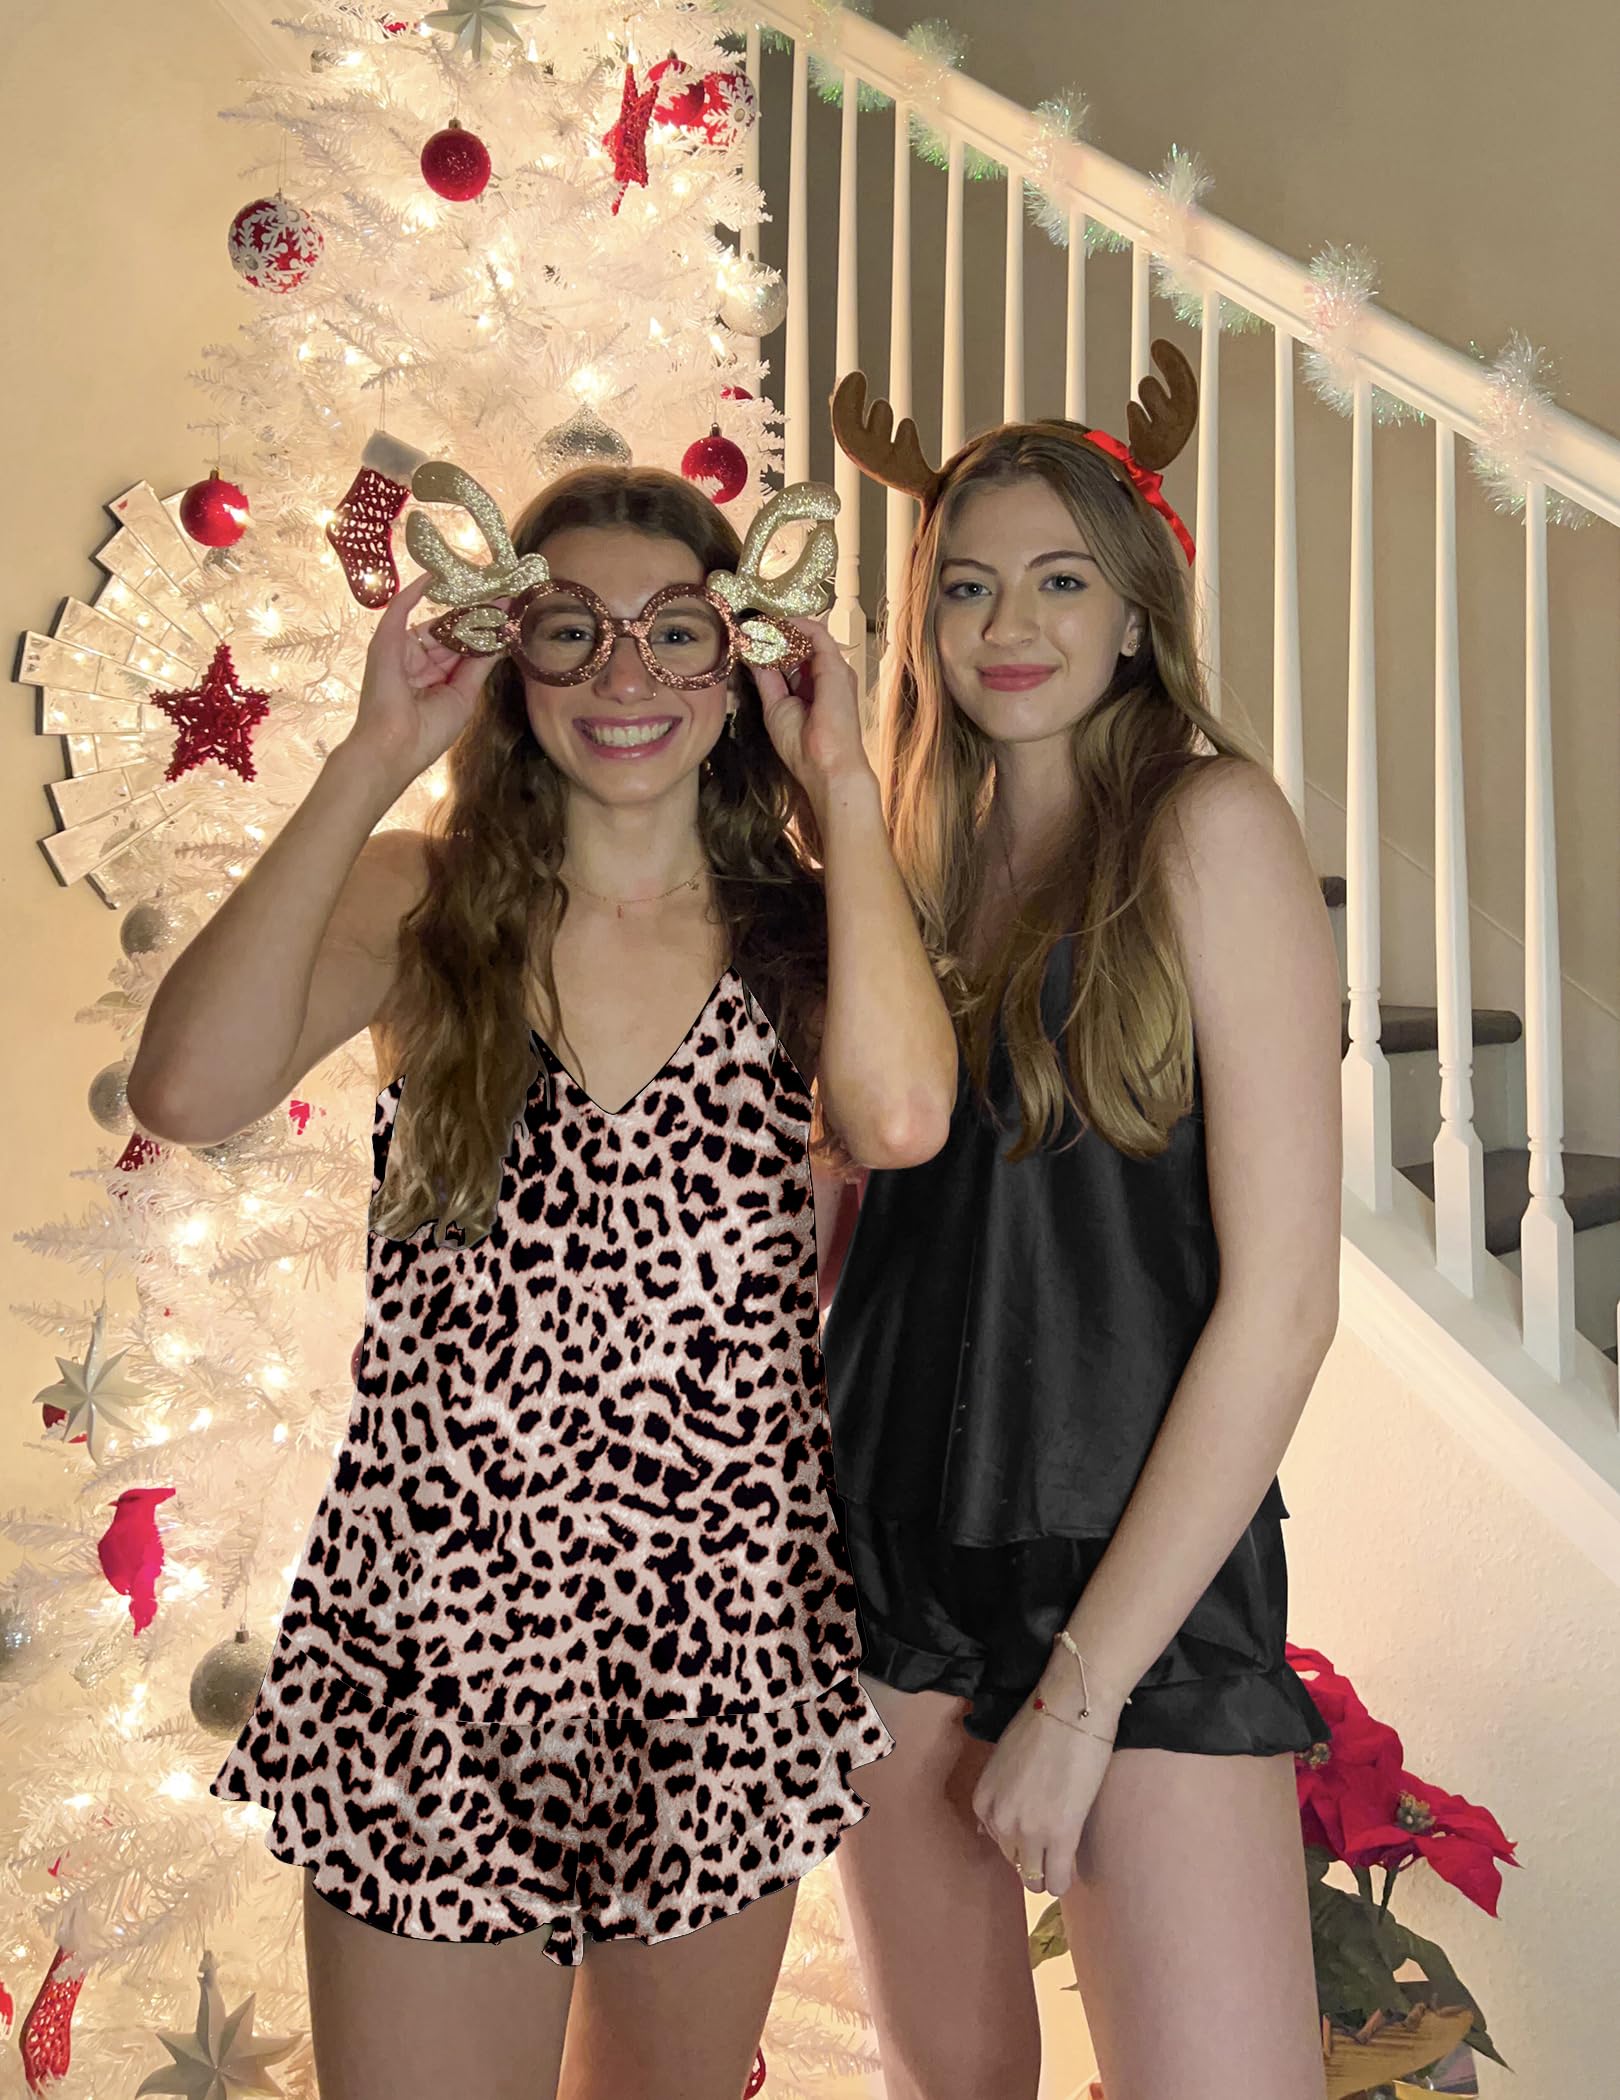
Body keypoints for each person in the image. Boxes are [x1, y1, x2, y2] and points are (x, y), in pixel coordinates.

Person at [127, 458, 957, 2100]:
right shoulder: (423, 904)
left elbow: (903, 1118)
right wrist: (374, 753)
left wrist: (843, 784)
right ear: (513, 655)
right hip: (434, 1637)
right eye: (574, 629)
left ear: (741, 655)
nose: (626, 673)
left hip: (721, 1640)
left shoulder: (808, 930)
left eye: (675, 631)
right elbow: (185, 1089)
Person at [817, 344, 1341, 2100]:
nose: (1010, 624)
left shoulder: (1211, 826)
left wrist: (1081, 1692)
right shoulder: (908, 868)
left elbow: (1285, 1306)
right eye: (967, 586)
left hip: (1137, 1572)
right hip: (891, 1557)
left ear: (1136, 610)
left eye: (1059, 579)